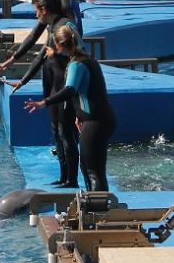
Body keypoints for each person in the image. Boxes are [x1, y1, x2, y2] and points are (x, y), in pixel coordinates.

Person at [24, 25, 116, 194]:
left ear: (60, 43)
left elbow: (70, 90)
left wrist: (44, 102)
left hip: (95, 121)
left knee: (91, 168)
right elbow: (85, 92)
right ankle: (99, 207)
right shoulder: (87, 59)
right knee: (95, 168)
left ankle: (98, 211)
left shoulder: (76, 65)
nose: (54, 46)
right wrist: (79, 116)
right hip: (101, 119)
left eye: (55, 43)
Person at [1, 0, 81, 187]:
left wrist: (58, 56)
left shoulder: (65, 26)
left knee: (66, 132)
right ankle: (64, 176)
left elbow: (80, 55)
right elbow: (40, 58)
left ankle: (72, 179)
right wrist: (23, 81)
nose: (36, 15)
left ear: (44, 10)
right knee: (56, 131)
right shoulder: (52, 26)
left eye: (37, 11)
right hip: (53, 85)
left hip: (64, 86)